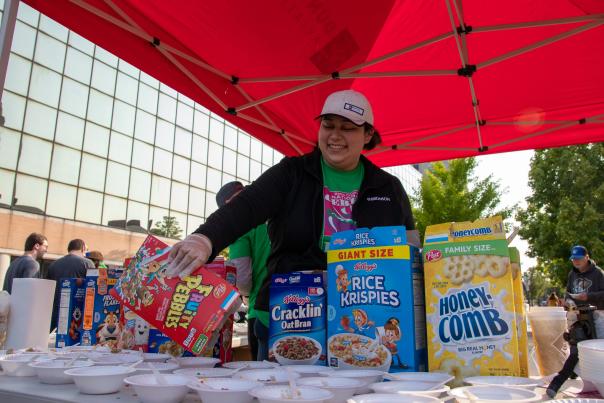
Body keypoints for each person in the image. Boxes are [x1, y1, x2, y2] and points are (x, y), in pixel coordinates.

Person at [166, 89, 415, 358]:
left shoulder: (389, 188)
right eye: (328, 125)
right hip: (286, 317)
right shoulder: (292, 173)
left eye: (347, 128)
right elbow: (246, 206)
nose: (335, 135)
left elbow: (412, 253)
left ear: (367, 135)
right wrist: (205, 239)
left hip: (362, 322)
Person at [216, 181, 270, 361]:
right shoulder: (275, 209)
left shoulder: (240, 226)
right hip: (303, 305)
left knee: (266, 379)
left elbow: (242, 277)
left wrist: (245, 294)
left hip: (263, 310)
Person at [546, 245, 604, 398]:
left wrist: (589, 296)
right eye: (573, 259)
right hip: (578, 315)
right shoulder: (572, 274)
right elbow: (568, 292)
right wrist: (567, 301)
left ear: (587, 257)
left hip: (597, 315)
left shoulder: (598, 274)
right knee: (577, 349)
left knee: (597, 351)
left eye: (578, 258)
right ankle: (559, 382)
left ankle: (562, 380)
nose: (576, 262)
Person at [46, 239, 95, 331]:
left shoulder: (53, 265)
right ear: (83, 248)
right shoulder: (87, 263)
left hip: (54, 313)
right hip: (77, 314)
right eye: (86, 250)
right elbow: (93, 288)